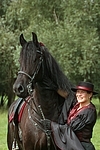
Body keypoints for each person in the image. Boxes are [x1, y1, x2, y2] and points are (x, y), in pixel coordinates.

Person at [43, 81, 98, 150]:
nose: (79, 94)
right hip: (72, 143)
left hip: (81, 146)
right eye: (78, 92)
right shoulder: (77, 105)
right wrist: (54, 87)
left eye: (82, 92)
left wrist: (51, 125)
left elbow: (71, 128)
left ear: (90, 95)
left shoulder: (89, 111)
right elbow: (68, 95)